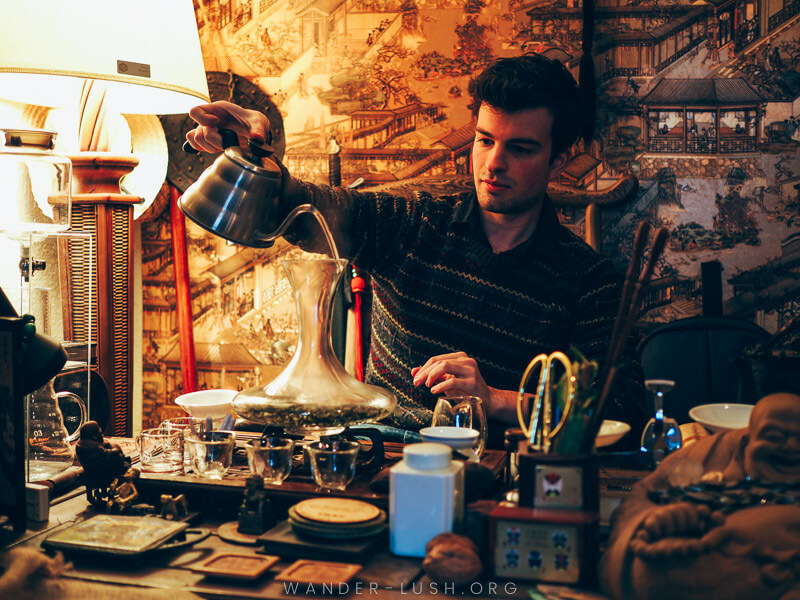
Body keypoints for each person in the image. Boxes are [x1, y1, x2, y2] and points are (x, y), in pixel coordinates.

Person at [185, 55, 646, 448]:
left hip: (494, 472)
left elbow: (621, 414)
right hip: (376, 455)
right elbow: (308, 211)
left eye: (520, 149)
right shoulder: (413, 222)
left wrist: (495, 398)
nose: (493, 164)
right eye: (484, 140)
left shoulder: (590, 281)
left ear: (559, 160)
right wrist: (258, 160)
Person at [600, 392, 800, 600]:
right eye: (774, 437)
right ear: (745, 444)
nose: (791, 447)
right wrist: (660, 522)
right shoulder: (708, 456)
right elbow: (635, 506)